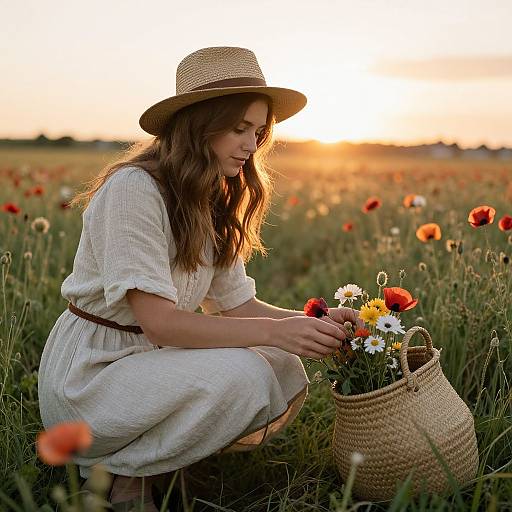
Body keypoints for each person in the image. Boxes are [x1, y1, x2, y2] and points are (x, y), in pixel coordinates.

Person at [37, 46, 358, 511]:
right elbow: (160, 324)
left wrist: (317, 320)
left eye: (259, 131)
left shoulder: (210, 195)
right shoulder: (134, 190)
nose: (252, 145)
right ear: (198, 124)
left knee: (281, 362)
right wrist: (277, 332)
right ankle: (121, 478)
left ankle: (155, 461)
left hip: (152, 364)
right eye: (239, 129)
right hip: (93, 378)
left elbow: (238, 306)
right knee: (246, 372)